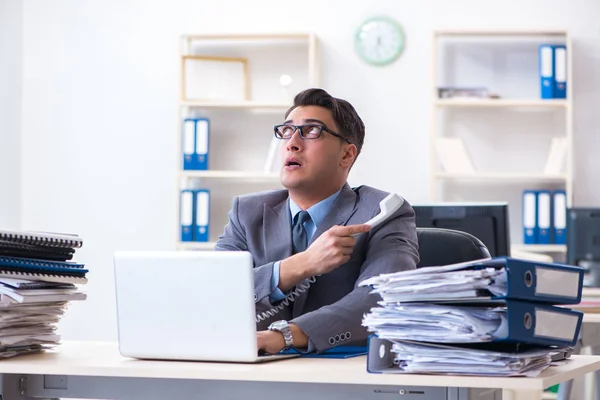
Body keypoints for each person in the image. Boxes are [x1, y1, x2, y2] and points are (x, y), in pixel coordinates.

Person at [215, 88, 419, 354]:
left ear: (346, 155)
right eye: (287, 131)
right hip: (252, 368)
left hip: (345, 374)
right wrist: (299, 266)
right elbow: (215, 291)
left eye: (312, 131)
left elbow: (381, 296)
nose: (292, 143)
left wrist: (285, 336)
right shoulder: (247, 212)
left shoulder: (383, 212)